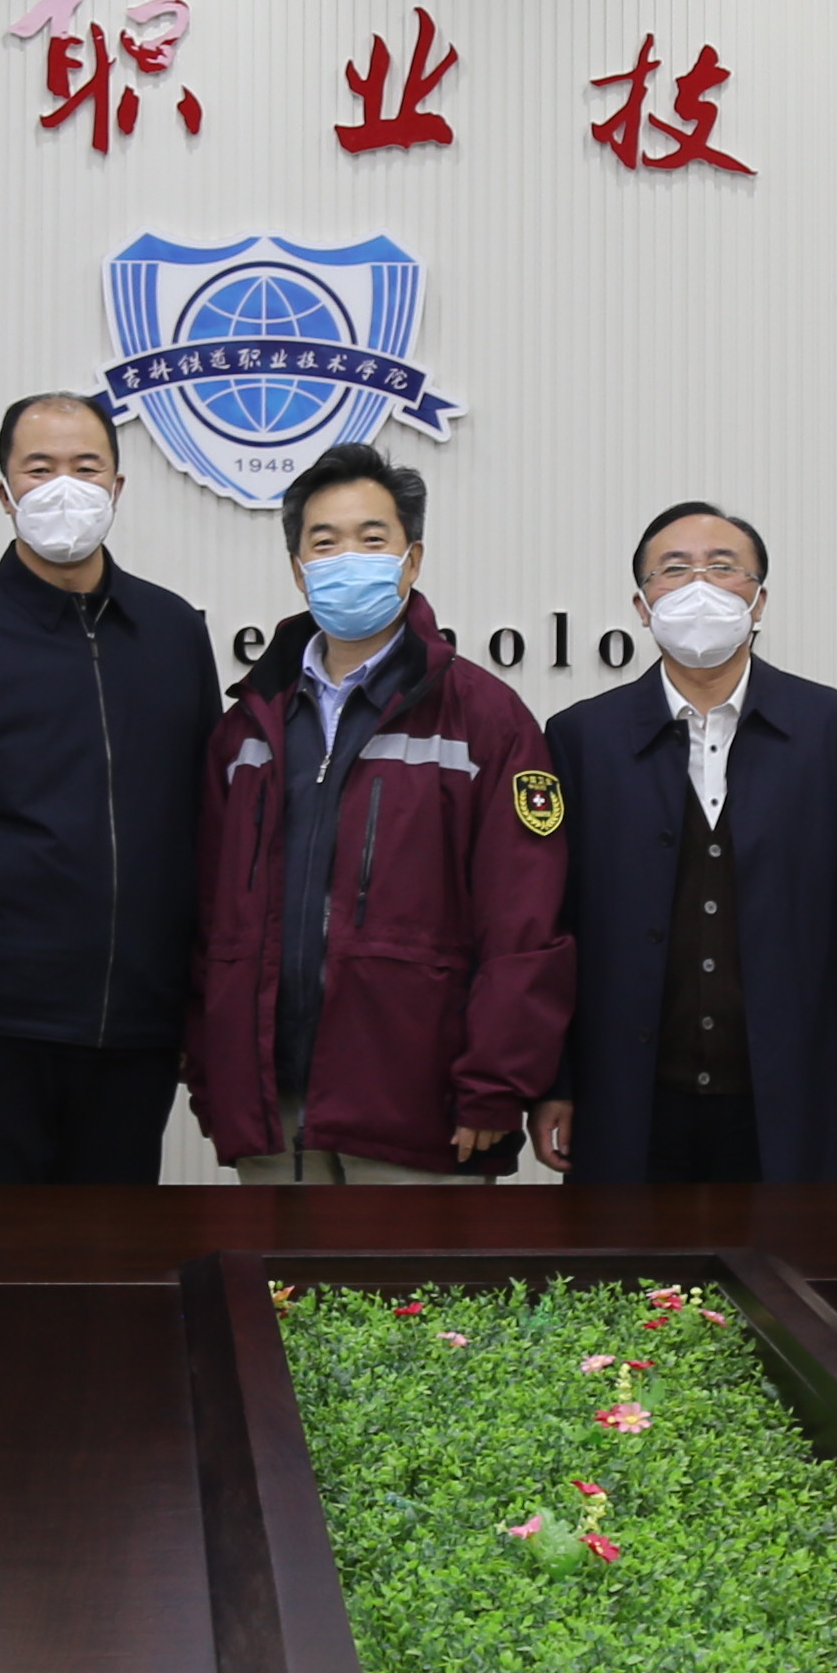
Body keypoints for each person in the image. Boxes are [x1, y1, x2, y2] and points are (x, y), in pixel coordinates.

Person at [184, 442, 571, 1182]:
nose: (348, 560)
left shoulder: (484, 717)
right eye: (325, 543)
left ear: (411, 559)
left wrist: (494, 1086)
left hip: (417, 1111)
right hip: (272, 1116)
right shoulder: (247, 728)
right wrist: (213, 1077)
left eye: (372, 539)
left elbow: (523, 922)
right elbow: (208, 920)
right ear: (298, 568)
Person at [0, 394, 222, 1185]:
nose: (64, 486)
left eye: (85, 467)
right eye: (40, 469)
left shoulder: (172, 631)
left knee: (111, 1257)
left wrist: (199, 1010)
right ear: (5, 493)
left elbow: (204, 829)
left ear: (118, 487)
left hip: (137, 1034)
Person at [532, 502, 837, 1184]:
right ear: (642, 607)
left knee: (791, 1250)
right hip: (624, 1088)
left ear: (759, 600)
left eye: (723, 568)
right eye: (674, 571)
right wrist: (557, 1080)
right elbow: (557, 923)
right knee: (620, 1253)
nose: (699, 586)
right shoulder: (581, 737)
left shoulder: (831, 727)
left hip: (784, 1083)